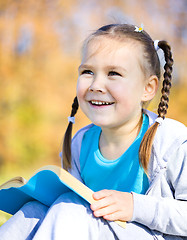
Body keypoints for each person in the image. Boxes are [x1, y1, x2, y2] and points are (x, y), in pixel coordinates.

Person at [0, 23, 187, 240]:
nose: (96, 84)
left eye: (114, 73)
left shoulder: (171, 141)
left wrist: (136, 206)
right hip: (95, 229)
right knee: (34, 212)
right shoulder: (81, 142)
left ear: (148, 88)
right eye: (88, 71)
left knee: (68, 209)